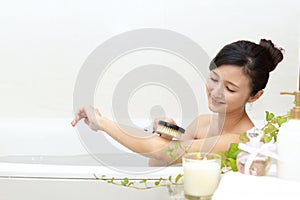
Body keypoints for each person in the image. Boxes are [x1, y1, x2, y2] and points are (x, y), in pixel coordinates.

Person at [71, 39, 284, 166]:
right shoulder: (202, 124)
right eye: (214, 79)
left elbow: (162, 153)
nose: (216, 92)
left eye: (230, 88)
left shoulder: (241, 140)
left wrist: (103, 123)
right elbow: (157, 161)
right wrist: (166, 133)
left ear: (255, 96)